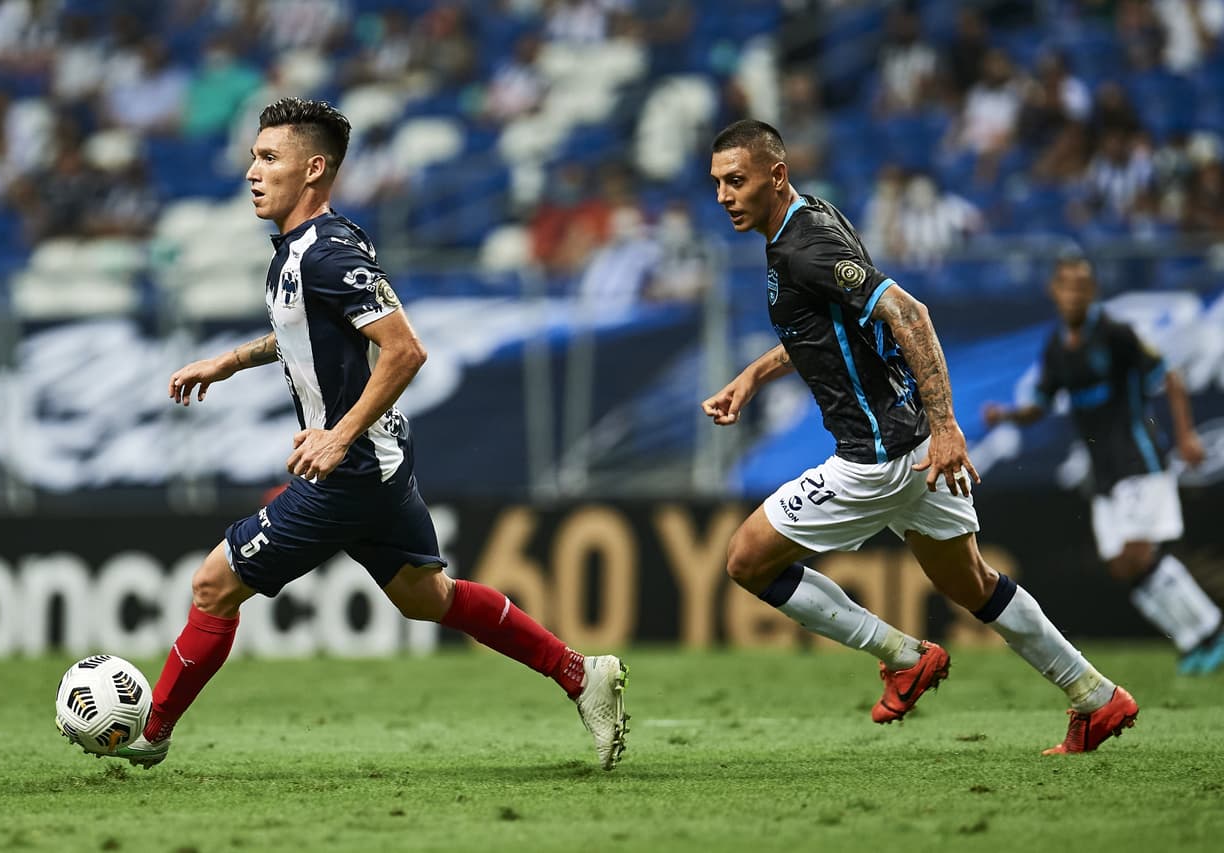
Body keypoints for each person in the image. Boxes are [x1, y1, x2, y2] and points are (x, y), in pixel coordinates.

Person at [84, 98, 628, 771]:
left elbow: (405, 350)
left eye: (268, 158)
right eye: (254, 156)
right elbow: (305, 332)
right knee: (425, 596)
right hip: (378, 465)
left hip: (348, 472)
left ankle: (154, 728)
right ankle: (580, 673)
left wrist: (338, 436)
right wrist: (229, 360)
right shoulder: (304, 249)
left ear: (313, 169)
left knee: (213, 585)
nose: (252, 171)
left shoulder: (328, 253)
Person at [703, 119, 1137, 755]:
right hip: (912, 450)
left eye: (736, 181)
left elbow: (910, 314)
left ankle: (904, 657)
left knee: (747, 559)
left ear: (776, 176)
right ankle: (1097, 697)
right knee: (973, 585)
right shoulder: (811, 220)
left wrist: (949, 428)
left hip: (877, 456)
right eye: (716, 184)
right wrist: (754, 375)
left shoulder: (804, 248)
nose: (723, 196)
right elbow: (828, 331)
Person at [983, 255, 1224, 674]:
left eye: (1082, 286)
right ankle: (1193, 641)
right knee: (1120, 565)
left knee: (1136, 554)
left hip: (1138, 459)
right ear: (1054, 292)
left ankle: (1211, 630)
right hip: (1102, 472)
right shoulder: (1058, 347)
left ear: (1091, 292)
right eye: (1066, 285)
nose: (1074, 293)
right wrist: (1005, 416)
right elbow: (1038, 406)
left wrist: (1185, 436)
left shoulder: (1116, 334)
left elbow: (1170, 376)